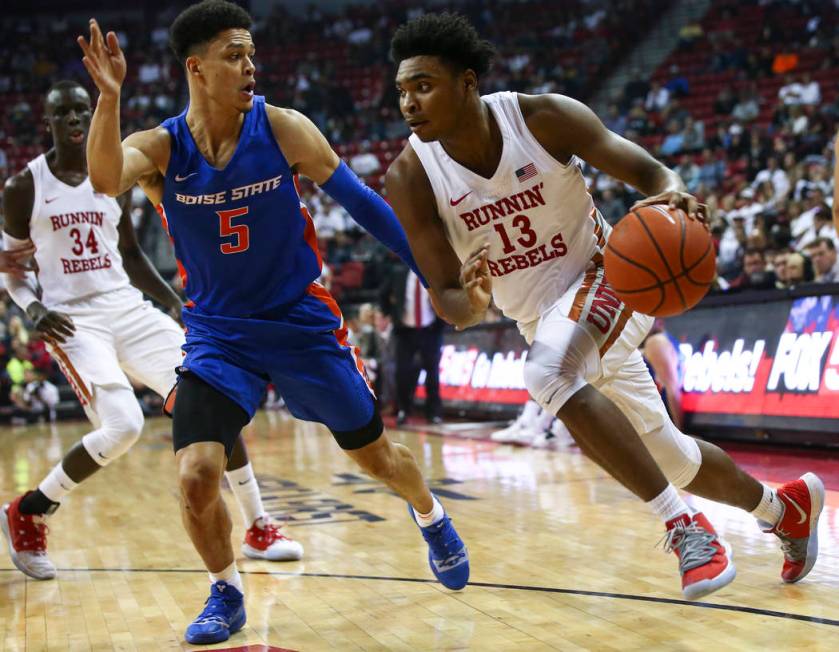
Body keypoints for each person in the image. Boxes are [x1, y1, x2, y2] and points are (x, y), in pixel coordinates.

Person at [385, 12, 823, 601]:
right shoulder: (411, 176)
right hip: (541, 318)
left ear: (467, 82)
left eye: (424, 85)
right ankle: (784, 510)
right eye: (402, 91)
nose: (409, 102)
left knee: (546, 372)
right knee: (671, 454)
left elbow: (650, 171)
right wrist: (473, 300)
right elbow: (448, 298)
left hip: (609, 275)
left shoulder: (541, 118)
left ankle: (685, 526)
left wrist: (673, 194)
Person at [77, 2, 467, 644]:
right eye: (235, 55)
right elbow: (101, 177)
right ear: (197, 69)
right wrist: (110, 97)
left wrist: (437, 273)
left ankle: (430, 515)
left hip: (300, 325)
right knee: (197, 474)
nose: (250, 66)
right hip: (218, 336)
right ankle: (226, 592)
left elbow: (365, 206)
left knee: (378, 460)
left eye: (251, 53)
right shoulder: (161, 148)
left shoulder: (284, 129)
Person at [0, 80, 304, 587]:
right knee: (122, 427)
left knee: (211, 394)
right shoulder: (23, 188)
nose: (76, 120)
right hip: (72, 317)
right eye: (65, 113)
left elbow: (132, 256)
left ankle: (257, 526)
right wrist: (32, 309)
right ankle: (29, 509)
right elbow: (9, 269)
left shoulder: (112, 175)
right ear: (47, 122)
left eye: (83, 110)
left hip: (125, 304)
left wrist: (175, 302)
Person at [379, 259, 443, 424]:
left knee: (433, 372)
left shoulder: (433, 274)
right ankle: (403, 410)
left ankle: (434, 413)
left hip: (430, 330)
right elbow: (382, 294)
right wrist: (389, 313)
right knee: (402, 373)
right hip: (405, 331)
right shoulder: (399, 272)